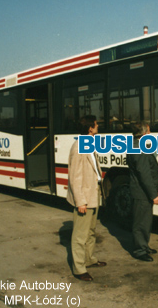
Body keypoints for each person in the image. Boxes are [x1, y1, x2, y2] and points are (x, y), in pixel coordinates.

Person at [66, 115, 106, 281]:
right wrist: (80, 201)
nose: (98, 126)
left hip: (93, 194)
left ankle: (89, 259)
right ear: (90, 128)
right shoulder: (78, 148)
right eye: (96, 124)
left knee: (91, 231)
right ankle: (79, 268)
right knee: (80, 235)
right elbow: (74, 177)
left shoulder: (89, 145)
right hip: (85, 197)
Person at [127, 121, 158, 262]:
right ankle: (139, 250)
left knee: (146, 221)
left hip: (143, 192)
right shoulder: (139, 149)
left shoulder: (138, 145)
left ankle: (144, 245)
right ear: (144, 133)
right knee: (140, 222)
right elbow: (144, 174)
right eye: (149, 131)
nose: (150, 134)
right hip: (142, 192)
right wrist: (153, 195)